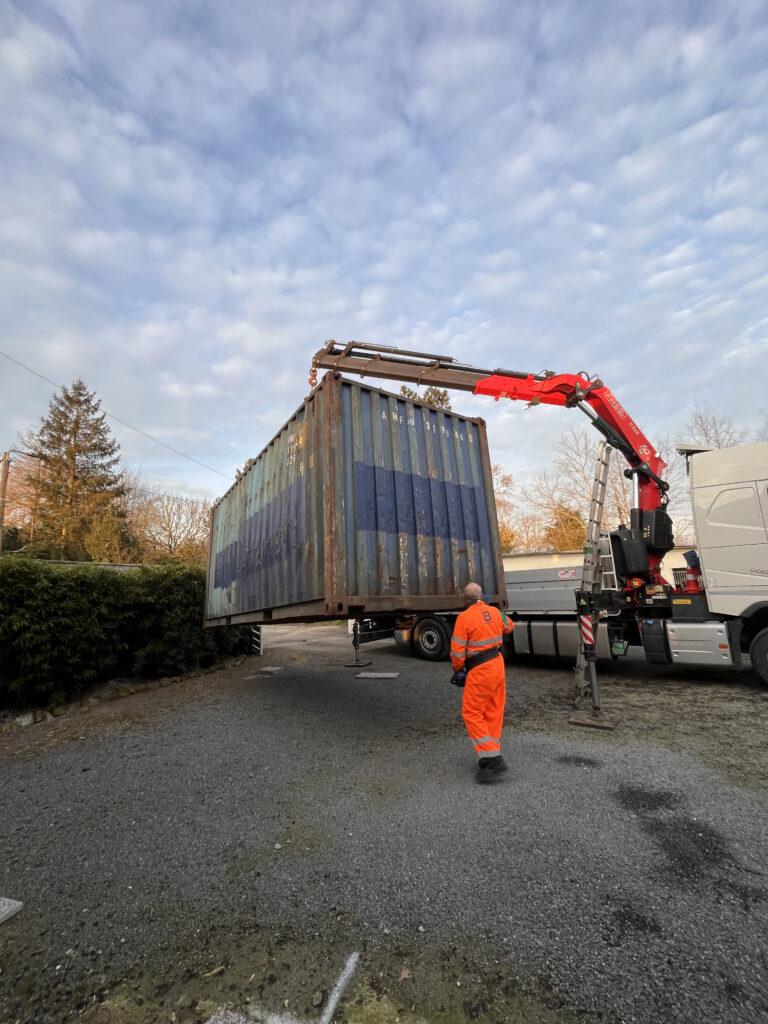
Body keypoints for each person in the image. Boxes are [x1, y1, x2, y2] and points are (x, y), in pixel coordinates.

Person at [450, 582, 514, 783]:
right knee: (493, 711)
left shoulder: (464, 618)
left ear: (464, 599)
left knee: (471, 712)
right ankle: (489, 754)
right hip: (497, 665)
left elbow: (457, 652)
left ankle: (494, 759)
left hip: (480, 670)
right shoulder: (495, 612)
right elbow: (509, 626)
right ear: (482, 596)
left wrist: (459, 670)